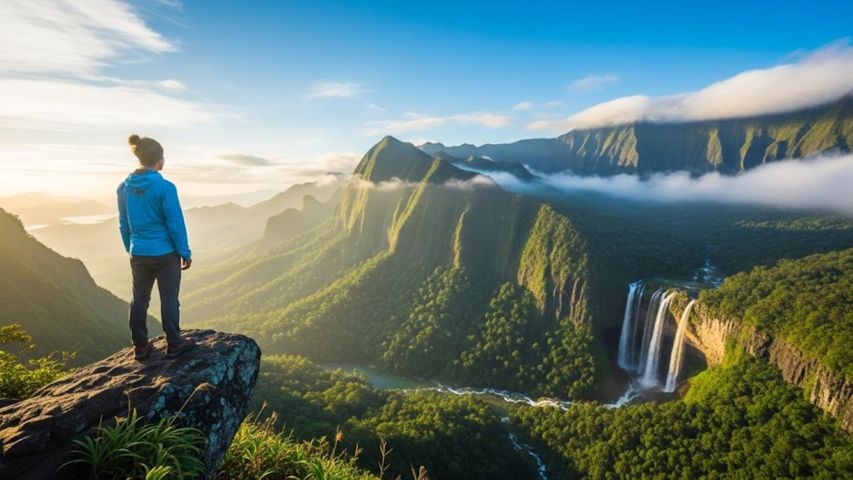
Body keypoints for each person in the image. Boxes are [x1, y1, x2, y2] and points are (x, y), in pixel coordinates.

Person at [117, 134, 195, 360]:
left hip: (138, 252)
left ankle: (140, 346)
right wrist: (184, 251)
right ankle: (174, 344)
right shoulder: (165, 187)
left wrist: (130, 247)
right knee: (169, 299)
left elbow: (123, 222)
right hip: (165, 253)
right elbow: (175, 223)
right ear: (159, 160)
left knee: (139, 299)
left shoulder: (123, 188)